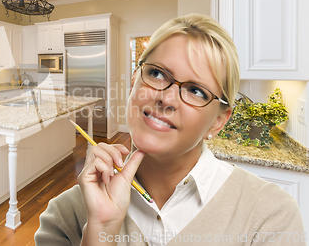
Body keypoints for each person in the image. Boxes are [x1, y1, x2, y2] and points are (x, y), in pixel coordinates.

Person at [35, 14, 306, 246]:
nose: (166, 98)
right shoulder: (65, 216)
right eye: (157, 74)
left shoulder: (270, 216)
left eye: (196, 90)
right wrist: (100, 231)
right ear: (133, 83)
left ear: (218, 121)